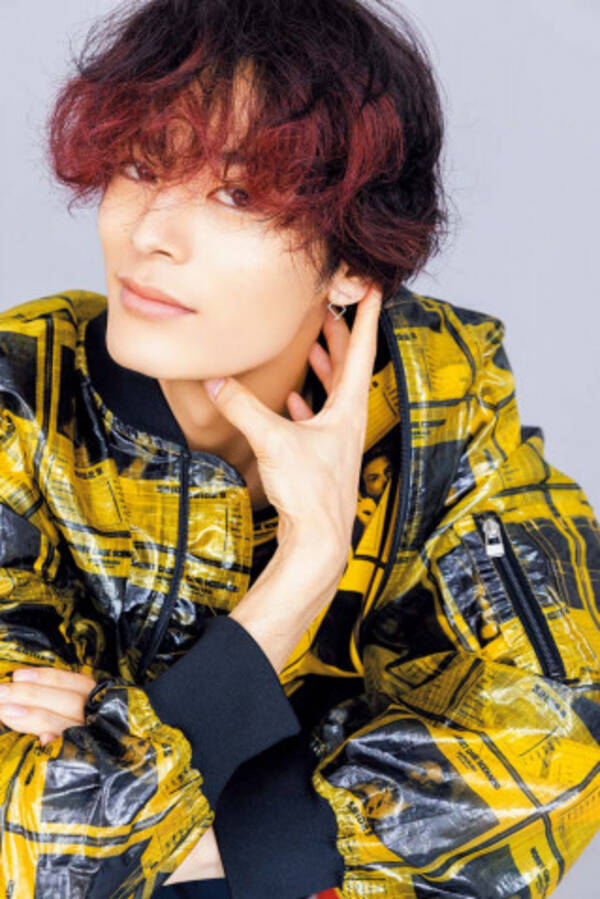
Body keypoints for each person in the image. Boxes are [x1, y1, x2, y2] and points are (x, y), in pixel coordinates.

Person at [0, 1, 599, 897]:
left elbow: (562, 739)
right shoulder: (21, 402)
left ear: (352, 262)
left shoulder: (439, 392)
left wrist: (200, 818)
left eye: (236, 194)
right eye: (139, 165)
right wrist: (300, 577)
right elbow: (31, 849)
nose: (149, 232)